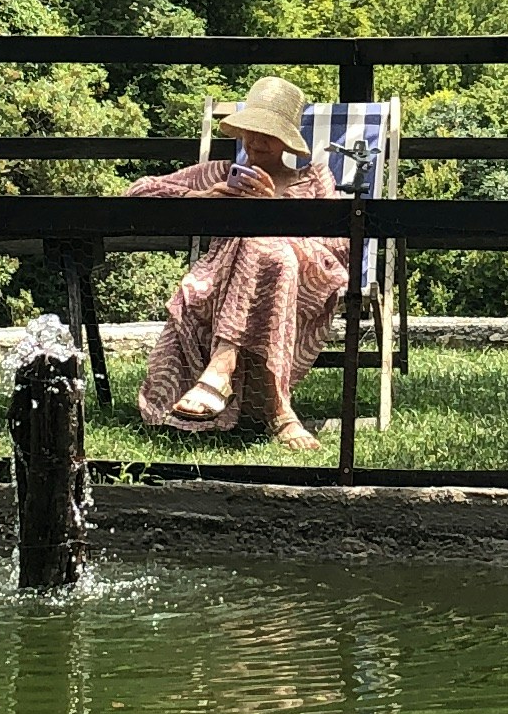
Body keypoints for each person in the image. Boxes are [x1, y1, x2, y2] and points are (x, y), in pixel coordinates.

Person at [125, 75, 355, 446]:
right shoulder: (220, 173)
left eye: (267, 133)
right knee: (264, 248)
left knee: (271, 247)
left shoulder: (312, 178)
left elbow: (338, 245)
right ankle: (279, 411)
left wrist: (274, 212)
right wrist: (206, 199)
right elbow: (137, 192)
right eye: (250, 130)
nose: (255, 141)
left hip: (305, 280)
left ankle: (223, 362)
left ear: (286, 140)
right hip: (225, 283)